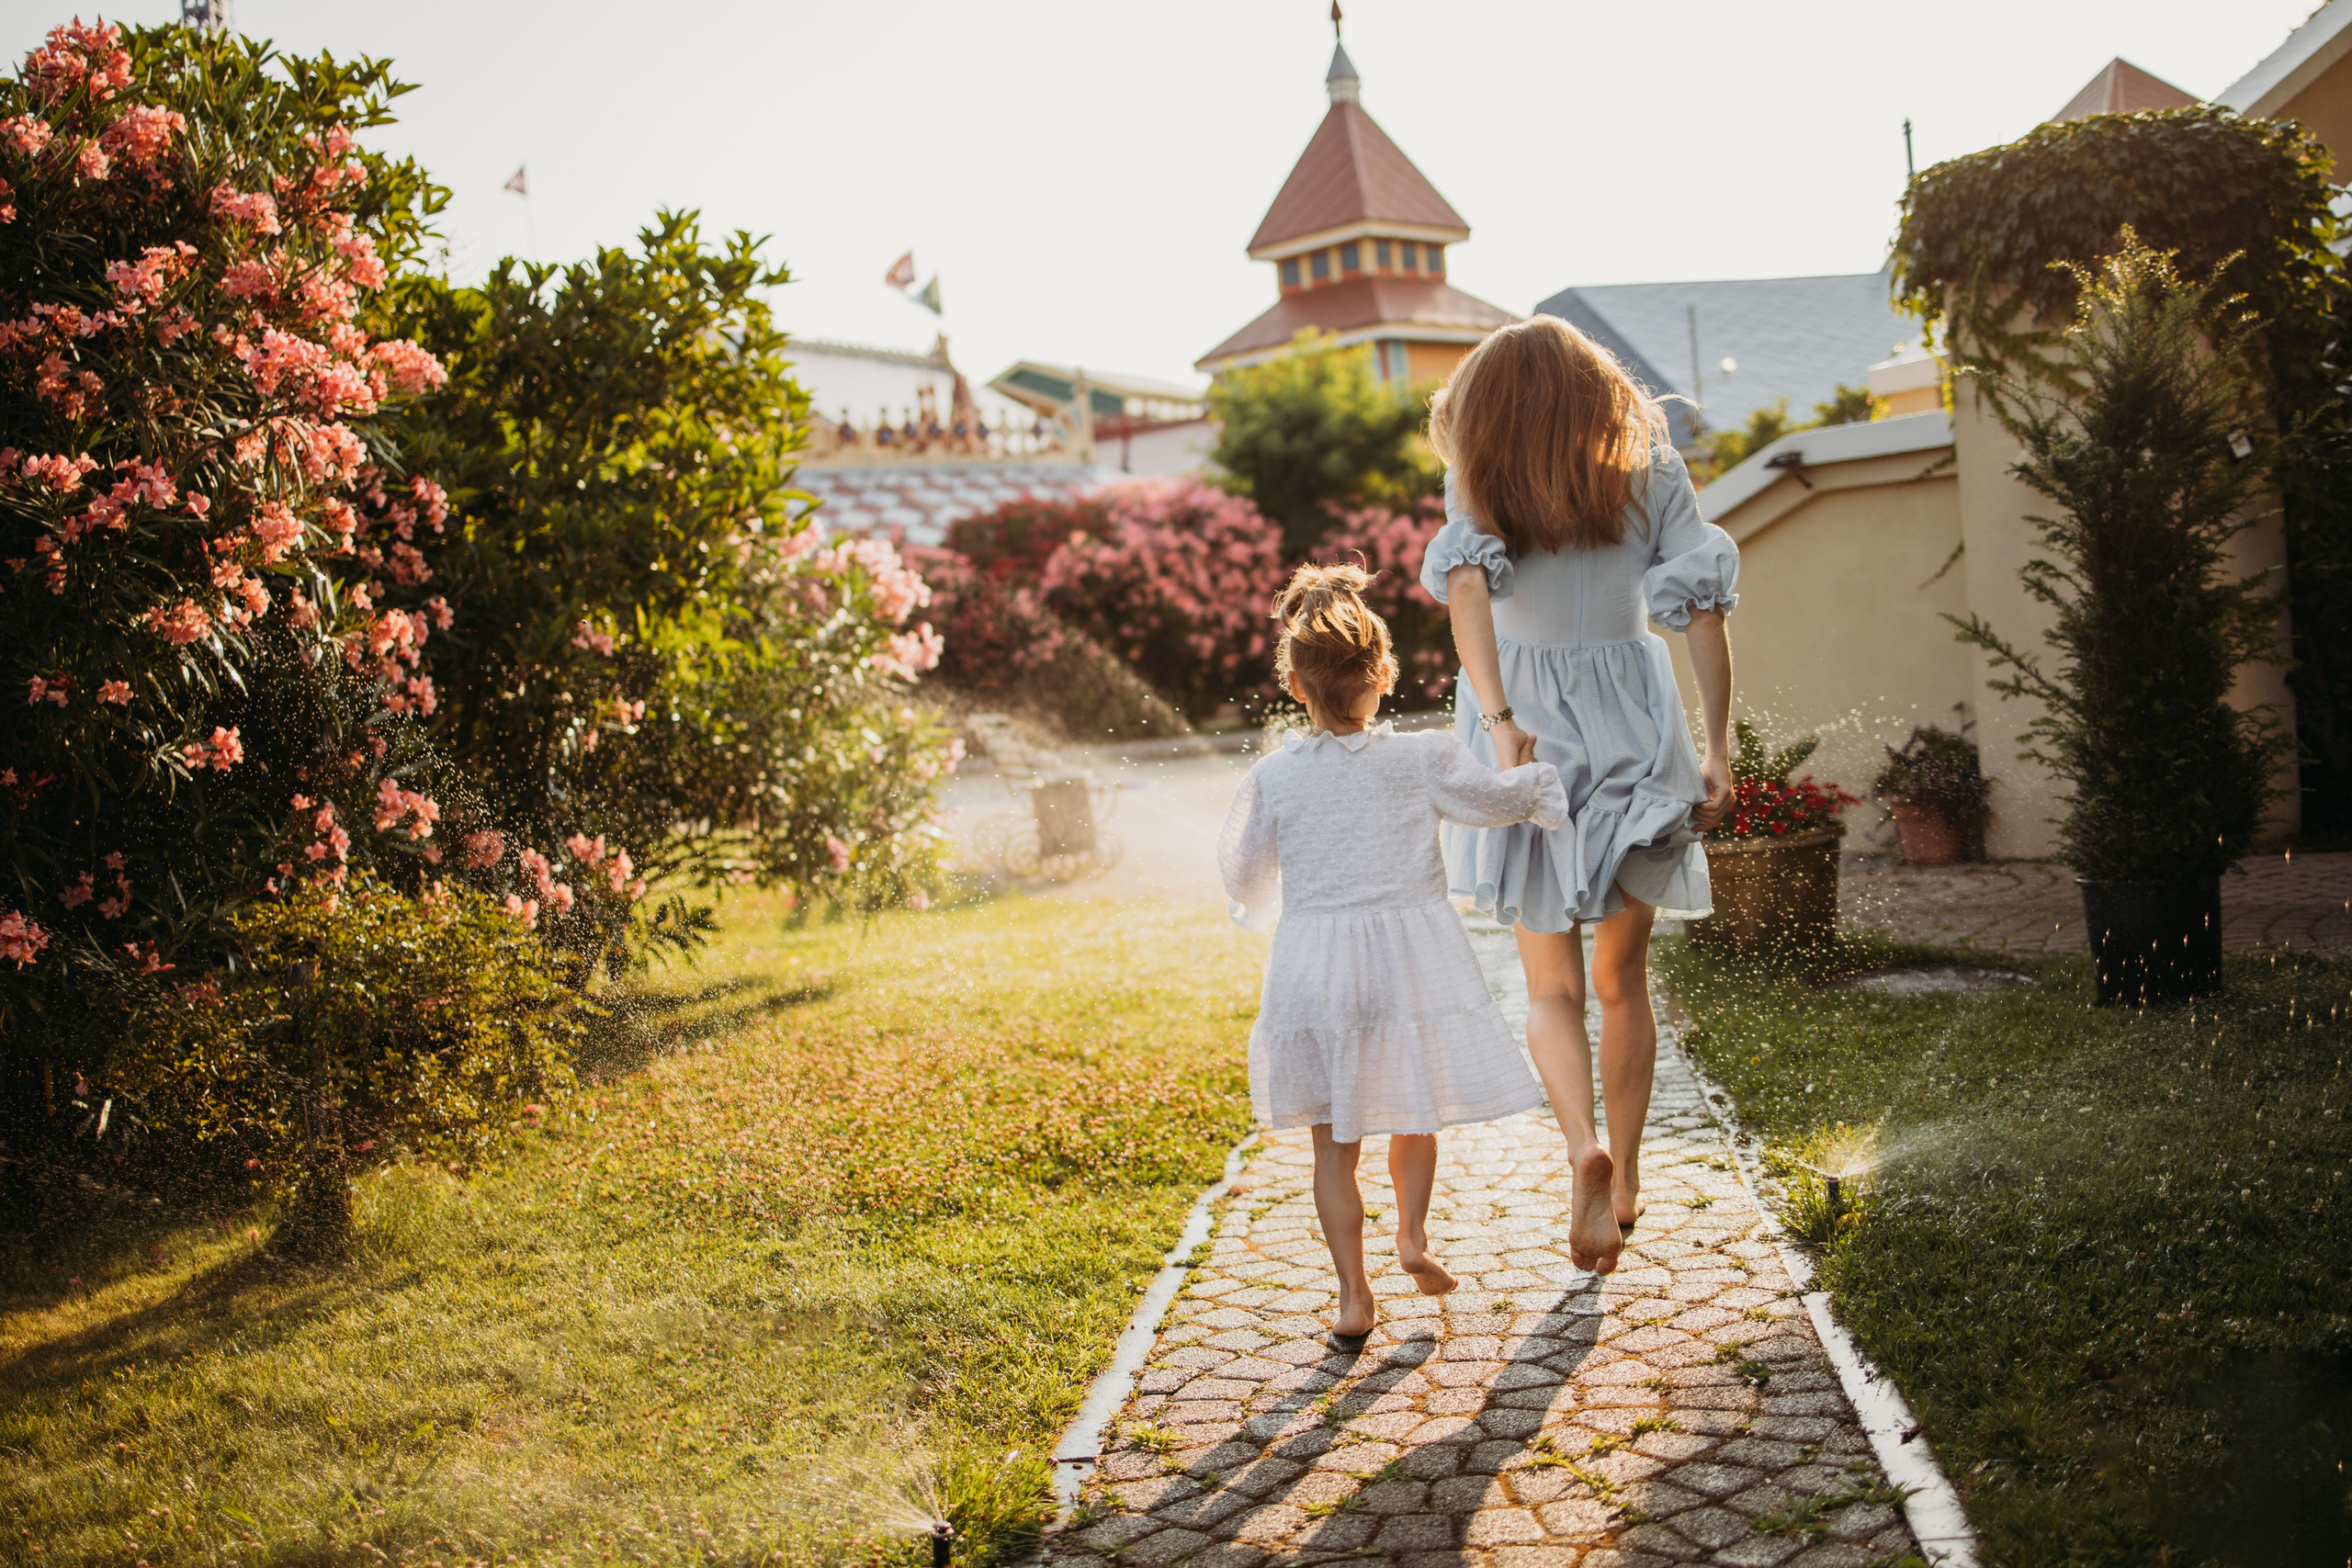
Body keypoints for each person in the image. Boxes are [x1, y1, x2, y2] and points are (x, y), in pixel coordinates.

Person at [1419, 315, 1738, 1277]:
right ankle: (1629, 1180)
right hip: (1635, 726)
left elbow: (1467, 591)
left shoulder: (1478, 468)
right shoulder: (1648, 466)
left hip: (1530, 732)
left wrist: (1501, 715)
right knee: (1622, 981)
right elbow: (1702, 611)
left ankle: (1580, 1153)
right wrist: (1718, 747)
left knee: (1551, 986)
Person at [1220, 561, 1568, 1343]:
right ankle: (1412, 1236)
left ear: (1297, 686)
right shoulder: (1423, 757)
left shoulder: (1273, 776)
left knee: (1332, 1144)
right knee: (1415, 1111)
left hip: (1315, 963)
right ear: (1382, 675)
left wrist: (1280, 896)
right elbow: (1502, 803)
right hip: (1410, 958)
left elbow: (1244, 873)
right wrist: (1531, 769)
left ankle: (1353, 1296)